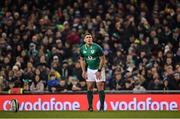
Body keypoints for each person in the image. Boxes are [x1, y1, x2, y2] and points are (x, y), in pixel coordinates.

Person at [79, 33, 106, 112]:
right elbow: (82, 60)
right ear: (84, 40)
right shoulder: (82, 49)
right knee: (89, 87)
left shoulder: (97, 47)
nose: (89, 38)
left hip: (99, 68)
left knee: (99, 86)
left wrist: (99, 70)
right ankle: (90, 107)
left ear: (92, 39)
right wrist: (84, 71)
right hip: (90, 69)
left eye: (90, 37)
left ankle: (101, 107)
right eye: (87, 37)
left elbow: (103, 59)